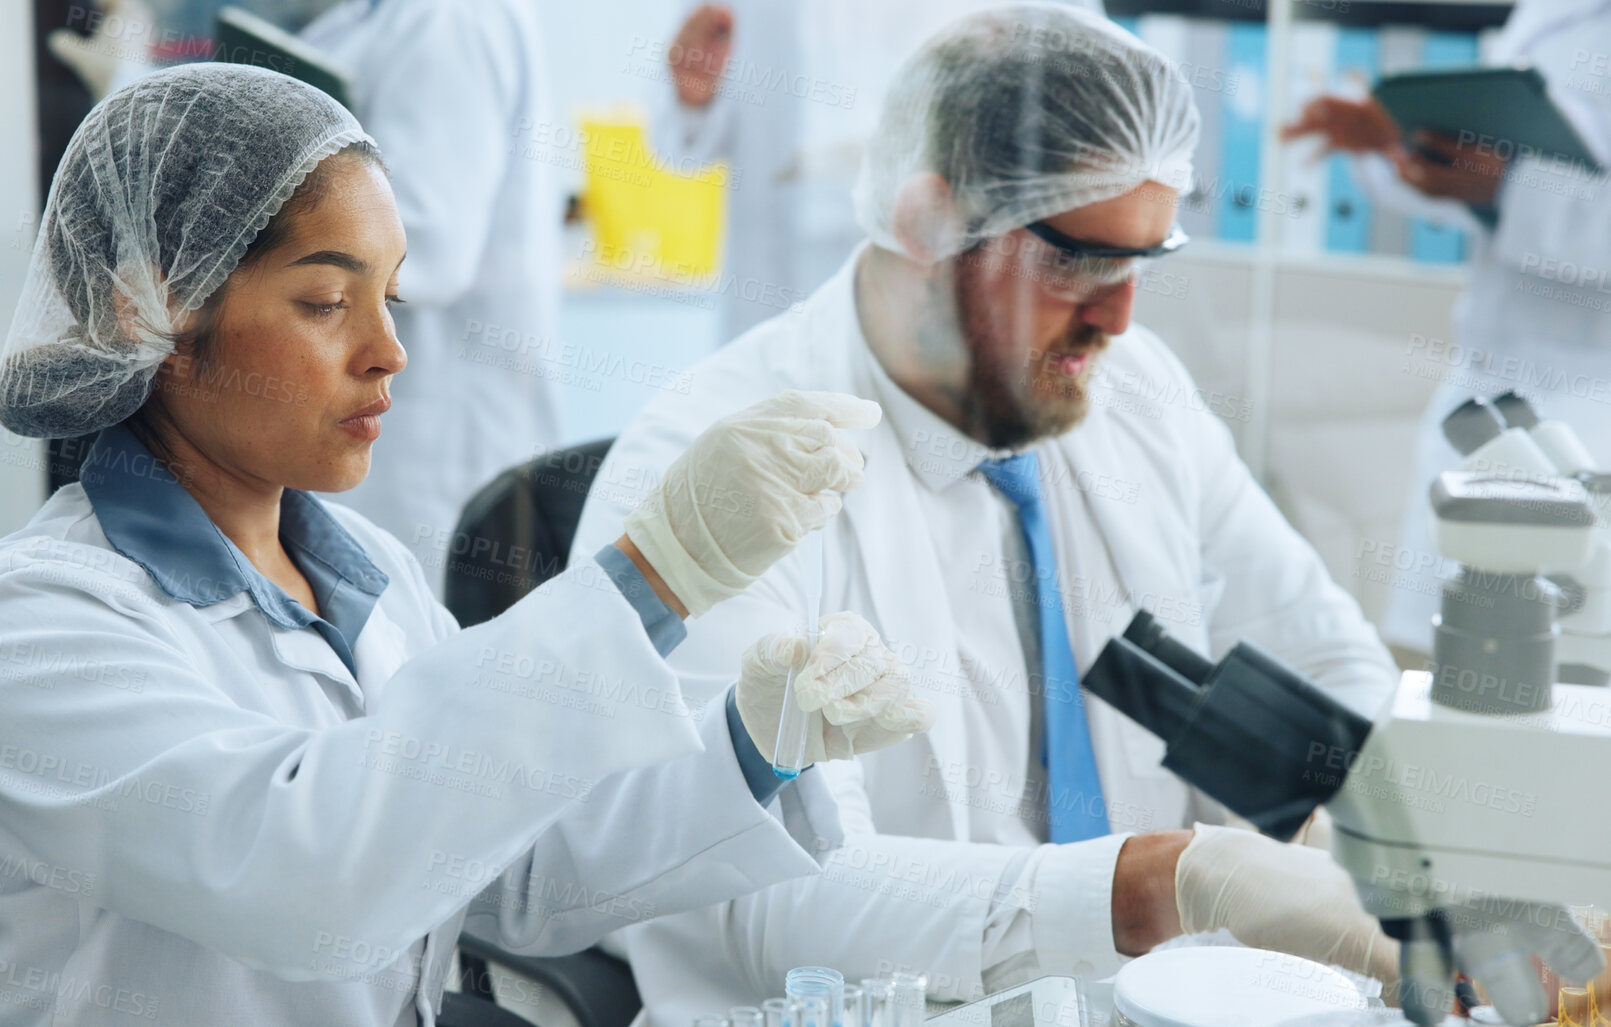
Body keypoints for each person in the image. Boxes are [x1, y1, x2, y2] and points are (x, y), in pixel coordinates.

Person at [0, 63, 934, 1026]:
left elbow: (508, 866)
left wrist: (757, 741)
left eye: (391, 298)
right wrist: (654, 575)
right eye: (327, 303)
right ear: (153, 313)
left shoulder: (365, 575)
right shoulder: (30, 627)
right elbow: (310, 879)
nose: (389, 351)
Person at [574, 7, 1415, 1020]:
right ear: (928, 222)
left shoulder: (1135, 390)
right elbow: (761, 897)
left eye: (1141, 262)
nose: (1118, 317)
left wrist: (1349, 825)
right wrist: (1154, 884)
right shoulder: (723, 472)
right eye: (1078, 262)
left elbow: (1328, 655)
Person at [1283, 0, 1611, 655]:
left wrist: (1508, 188)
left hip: (1589, 399)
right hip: (1485, 386)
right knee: (1440, 658)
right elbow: (1487, 185)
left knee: (1560, 663)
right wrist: (1404, 145)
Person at [296, 0, 565, 587]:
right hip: (389, 416)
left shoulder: (450, 19)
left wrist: (266, 243)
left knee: (413, 616)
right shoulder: (386, 17)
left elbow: (430, 246)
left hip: (435, 428)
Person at [645, 0, 1102, 342]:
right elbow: (678, 144)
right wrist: (691, 91)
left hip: (954, 280)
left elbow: (1094, 114)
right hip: (777, 287)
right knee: (780, 426)